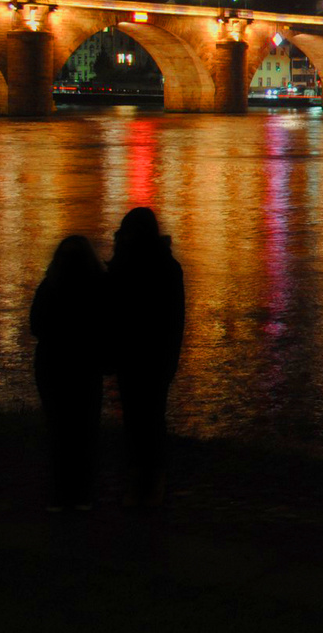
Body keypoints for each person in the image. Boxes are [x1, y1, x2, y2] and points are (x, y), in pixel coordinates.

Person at [109, 207, 185, 507]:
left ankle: (138, 482)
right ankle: (152, 484)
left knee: (136, 419)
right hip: (154, 357)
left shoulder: (123, 264)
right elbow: (175, 318)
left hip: (132, 355)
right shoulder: (168, 267)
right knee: (152, 419)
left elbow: (112, 311)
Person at [29, 235, 106, 512]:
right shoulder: (98, 287)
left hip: (53, 366)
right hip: (86, 366)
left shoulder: (50, 286)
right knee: (84, 431)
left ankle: (61, 494)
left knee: (59, 431)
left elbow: (35, 324)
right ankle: (82, 493)